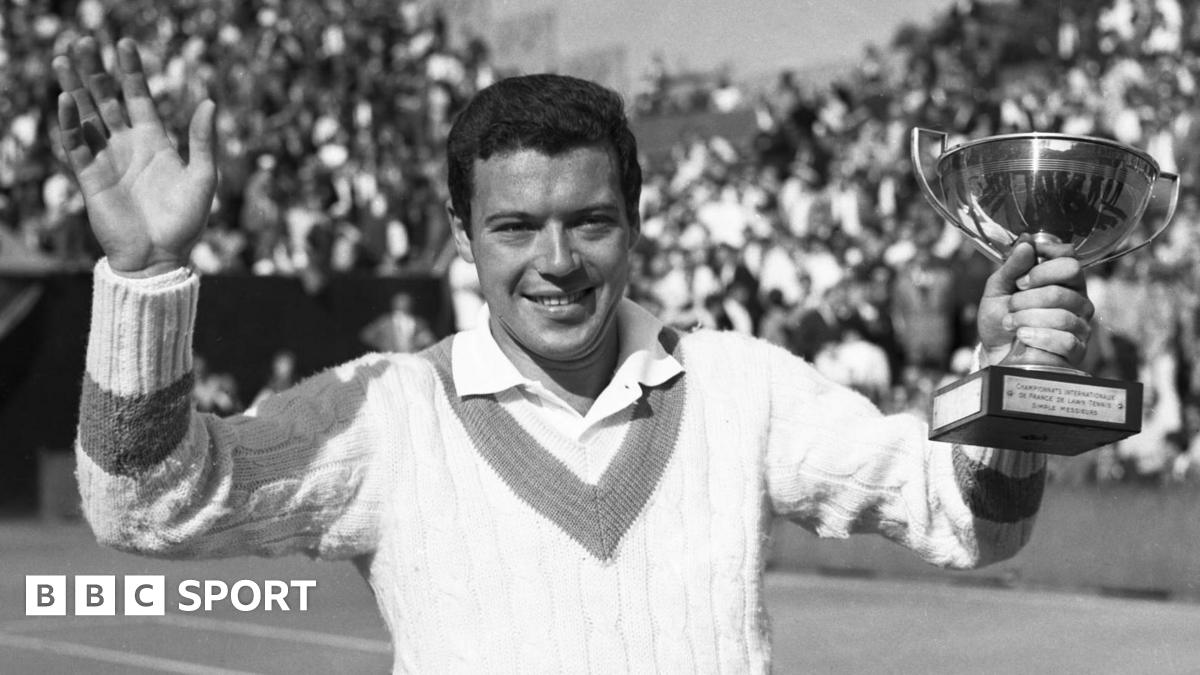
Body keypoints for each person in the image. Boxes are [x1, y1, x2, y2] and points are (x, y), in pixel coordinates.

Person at [60, 36, 1093, 673]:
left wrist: (1013, 384)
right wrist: (148, 273)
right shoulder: (394, 416)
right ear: (463, 238)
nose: (556, 262)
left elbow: (966, 520)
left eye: (590, 221)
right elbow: (149, 504)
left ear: (637, 224)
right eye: (515, 228)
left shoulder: (740, 385)